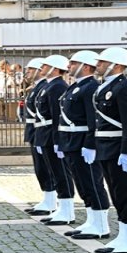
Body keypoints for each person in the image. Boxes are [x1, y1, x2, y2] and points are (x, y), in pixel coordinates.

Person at [90, 47, 127, 253]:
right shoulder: (105, 87)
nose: (98, 65)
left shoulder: (125, 88)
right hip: (105, 146)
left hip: (118, 147)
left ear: (117, 65)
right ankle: (124, 234)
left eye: (103, 62)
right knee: (116, 193)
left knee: (126, 193)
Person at [59, 51, 111, 241]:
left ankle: (101, 224)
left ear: (86, 66)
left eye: (74, 63)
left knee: (92, 182)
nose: (69, 66)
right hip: (72, 142)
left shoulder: (90, 88)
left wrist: (90, 144)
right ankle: (91, 219)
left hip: (83, 143)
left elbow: (93, 120)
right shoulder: (76, 87)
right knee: (82, 183)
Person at [34, 55, 76, 226]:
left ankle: (67, 209)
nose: (42, 67)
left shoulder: (58, 86)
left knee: (61, 173)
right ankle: (61, 207)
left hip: (52, 135)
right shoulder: (49, 86)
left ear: (55, 68)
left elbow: (57, 116)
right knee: (54, 172)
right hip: (45, 135)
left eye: (46, 65)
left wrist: (58, 140)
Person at [22, 59, 55, 214]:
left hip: (42, 131)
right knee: (40, 168)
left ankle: (51, 200)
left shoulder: (45, 86)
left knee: (47, 168)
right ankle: (47, 198)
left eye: (30, 69)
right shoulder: (36, 88)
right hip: (35, 131)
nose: (27, 72)